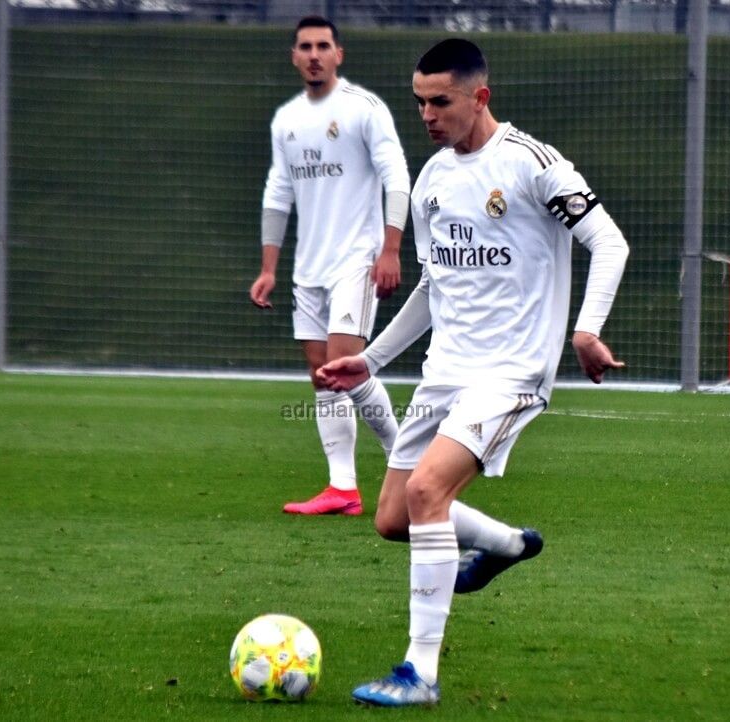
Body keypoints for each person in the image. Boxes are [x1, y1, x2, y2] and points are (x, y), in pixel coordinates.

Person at [317, 38, 631, 706]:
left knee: (428, 491)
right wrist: (369, 359)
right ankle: (508, 545)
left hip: (511, 372)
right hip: (445, 373)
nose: (427, 115)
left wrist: (586, 330)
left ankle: (419, 674)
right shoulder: (432, 180)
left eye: (441, 101)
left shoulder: (532, 163)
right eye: (419, 102)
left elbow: (609, 241)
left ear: (479, 96)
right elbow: (434, 288)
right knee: (393, 518)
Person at [252, 16, 411, 516]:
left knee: (346, 369)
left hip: (357, 262)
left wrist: (390, 249)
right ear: (294, 57)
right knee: (323, 376)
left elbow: (397, 176)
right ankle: (343, 488)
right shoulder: (286, 120)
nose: (314, 54)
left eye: (323, 45)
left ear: (339, 54)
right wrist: (268, 268)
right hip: (308, 269)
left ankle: (407, 460)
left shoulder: (364, 108)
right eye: (305, 47)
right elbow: (278, 192)